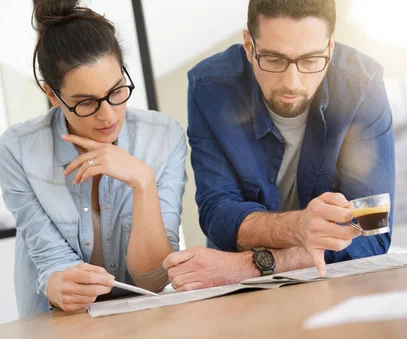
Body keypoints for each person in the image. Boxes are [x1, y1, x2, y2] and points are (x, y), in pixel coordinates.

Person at [163, 0, 395, 291]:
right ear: (249, 46)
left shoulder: (363, 85)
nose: (292, 83)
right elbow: (218, 213)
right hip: (242, 294)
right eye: (273, 60)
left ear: (330, 47)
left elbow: (372, 233)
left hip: (302, 280)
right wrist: (298, 228)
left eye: (311, 61)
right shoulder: (209, 86)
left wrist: (248, 266)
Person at [0, 0, 187, 317]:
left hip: (140, 322)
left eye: (116, 91)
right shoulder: (18, 150)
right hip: (59, 326)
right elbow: (52, 264)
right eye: (86, 102)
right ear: (52, 95)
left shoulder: (163, 137)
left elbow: (154, 279)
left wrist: (143, 182)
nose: (109, 115)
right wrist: (60, 283)